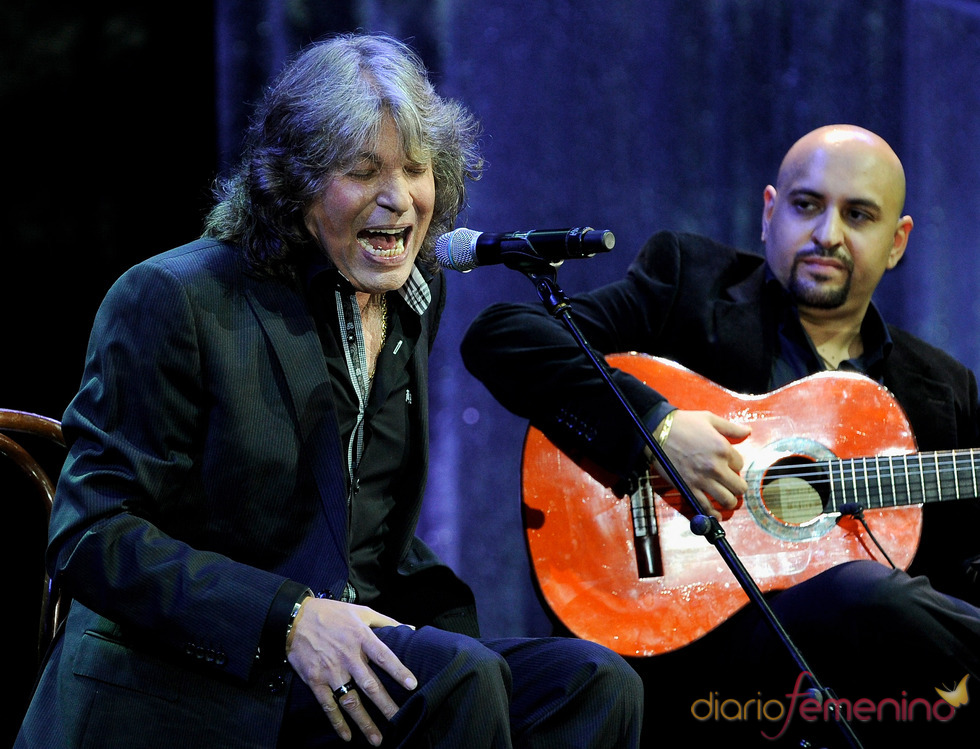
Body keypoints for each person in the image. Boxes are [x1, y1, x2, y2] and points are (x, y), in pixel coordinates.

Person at [16, 33, 643, 748]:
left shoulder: (409, 296)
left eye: (415, 169)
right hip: (186, 677)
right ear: (296, 185)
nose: (399, 199)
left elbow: (366, 533)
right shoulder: (172, 298)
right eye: (362, 170)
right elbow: (92, 534)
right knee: (459, 681)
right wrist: (289, 617)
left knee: (590, 686)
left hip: (332, 659)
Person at [461, 124, 980, 744]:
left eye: (859, 215)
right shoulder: (689, 286)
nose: (827, 235)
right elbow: (503, 337)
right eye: (807, 205)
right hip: (682, 642)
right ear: (769, 212)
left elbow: (956, 587)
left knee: (881, 607)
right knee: (862, 596)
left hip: (870, 694)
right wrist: (658, 427)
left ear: (897, 242)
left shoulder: (942, 393)